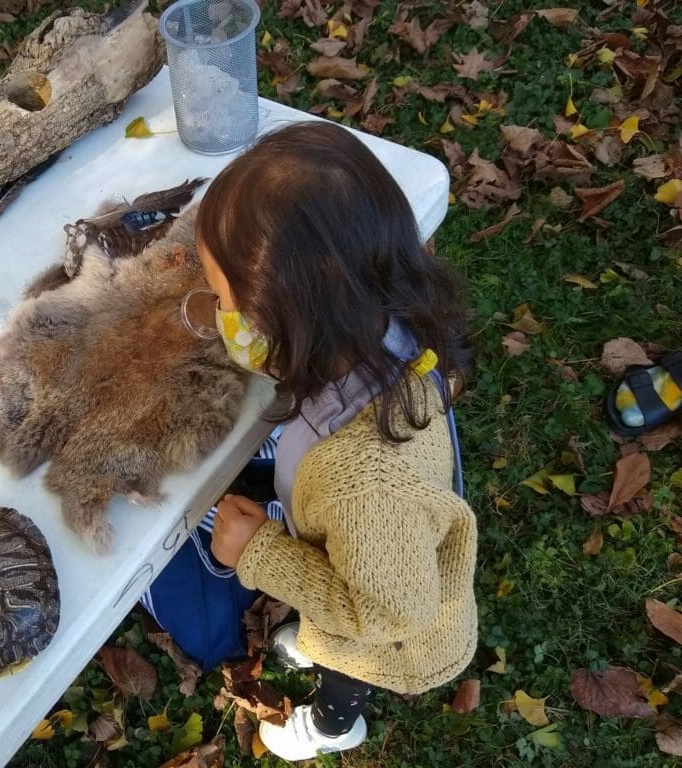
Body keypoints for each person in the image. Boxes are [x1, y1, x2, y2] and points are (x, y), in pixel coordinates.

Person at [190, 121, 478, 760]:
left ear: (289, 317)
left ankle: (332, 724)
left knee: (346, 663)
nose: (217, 316)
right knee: (337, 623)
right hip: (375, 559)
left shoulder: (364, 489)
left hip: (391, 636)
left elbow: (385, 616)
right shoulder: (389, 324)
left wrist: (259, 553)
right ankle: (322, 646)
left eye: (222, 300)